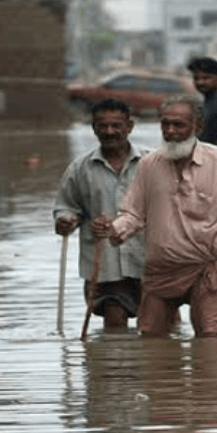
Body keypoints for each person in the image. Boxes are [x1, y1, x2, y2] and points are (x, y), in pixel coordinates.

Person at [94, 94, 217, 338]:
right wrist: (113, 229)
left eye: (178, 125)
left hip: (207, 268)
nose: (170, 131)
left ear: (197, 127)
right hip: (161, 270)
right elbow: (134, 214)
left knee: (211, 340)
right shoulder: (149, 165)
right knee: (151, 341)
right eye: (165, 124)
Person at [54, 99, 150, 332]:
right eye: (102, 126)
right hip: (105, 263)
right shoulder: (80, 168)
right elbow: (66, 207)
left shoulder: (152, 163)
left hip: (149, 260)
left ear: (129, 126)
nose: (109, 132)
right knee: (114, 322)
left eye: (116, 126)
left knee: (159, 327)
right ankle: (111, 367)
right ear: (94, 127)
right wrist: (66, 221)